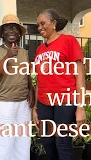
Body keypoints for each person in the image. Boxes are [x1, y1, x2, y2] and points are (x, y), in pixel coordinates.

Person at [32, 8, 87, 160]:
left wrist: (80, 107)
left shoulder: (69, 41)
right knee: (47, 141)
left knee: (62, 142)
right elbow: (39, 80)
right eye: (38, 25)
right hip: (44, 101)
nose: (40, 28)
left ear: (54, 23)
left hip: (65, 100)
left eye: (43, 23)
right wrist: (35, 107)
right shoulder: (39, 50)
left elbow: (80, 75)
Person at [0, 14, 35, 160]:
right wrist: (7, 56)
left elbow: (26, 74)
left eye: (14, 28)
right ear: (2, 33)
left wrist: (31, 90)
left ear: (19, 32)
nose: (11, 31)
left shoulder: (24, 52)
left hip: (23, 103)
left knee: (22, 140)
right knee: (3, 142)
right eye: (7, 28)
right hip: (4, 103)